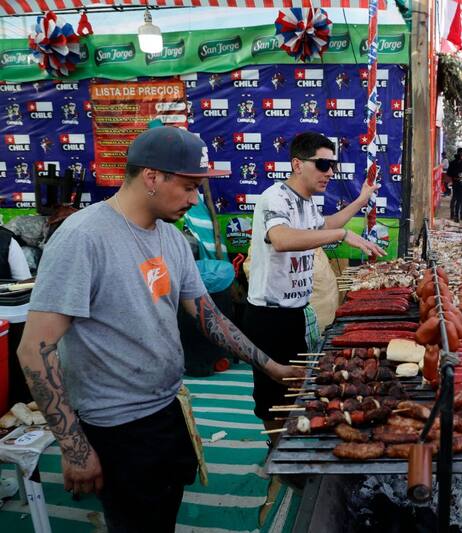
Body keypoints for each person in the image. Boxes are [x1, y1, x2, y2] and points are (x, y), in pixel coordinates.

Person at [17, 126, 305, 532]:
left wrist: (271, 366)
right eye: (188, 187)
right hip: (115, 426)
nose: (194, 199)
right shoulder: (83, 238)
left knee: (164, 511)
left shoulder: (170, 238)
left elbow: (209, 316)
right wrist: (74, 446)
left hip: (167, 410)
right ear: (152, 177)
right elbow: (34, 349)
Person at [245, 132, 385, 428]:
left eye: (332, 165)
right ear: (298, 164)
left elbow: (327, 224)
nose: (330, 172)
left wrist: (361, 200)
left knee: (299, 390)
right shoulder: (275, 197)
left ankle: (289, 448)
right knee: (273, 401)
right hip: (269, 317)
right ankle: (274, 460)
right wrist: (343, 236)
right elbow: (281, 239)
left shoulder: (306, 202)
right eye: (323, 164)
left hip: (297, 312)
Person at [447, 148, 462, 222]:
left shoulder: (456, 162)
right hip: (459, 183)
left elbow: (449, 173)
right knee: (459, 199)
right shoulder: (460, 163)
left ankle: (456, 215)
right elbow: (449, 173)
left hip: (459, 183)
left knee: (457, 199)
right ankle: (457, 215)